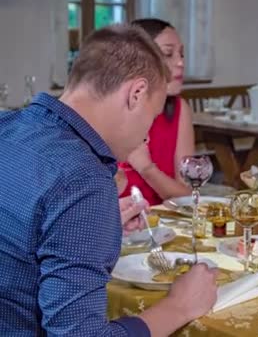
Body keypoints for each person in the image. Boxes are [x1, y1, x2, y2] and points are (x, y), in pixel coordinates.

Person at [0, 24, 217, 336]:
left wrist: (93, 222)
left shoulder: (7, 125)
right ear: (136, 93)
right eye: (152, 117)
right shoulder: (84, 178)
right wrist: (179, 306)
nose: (145, 135)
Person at [118, 18, 195, 205]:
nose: (180, 63)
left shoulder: (179, 109)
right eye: (168, 54)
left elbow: (187, 196)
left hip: (163, 228)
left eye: (181, 54)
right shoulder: (112, 110)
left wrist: (147, 168)